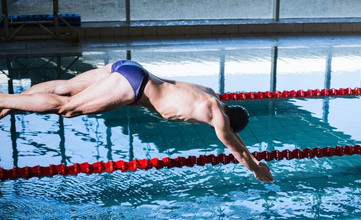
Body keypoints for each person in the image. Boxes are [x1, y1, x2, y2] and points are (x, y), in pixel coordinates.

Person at [0, 60, 273, 183]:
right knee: (68, 108)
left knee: (66, 88)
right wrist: (256, 169)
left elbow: (170, 82)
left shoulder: (210, 94)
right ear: (229, 120)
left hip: (130, 68)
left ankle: (7, 105)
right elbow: (236, 148)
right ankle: (3, 99)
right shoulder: (217, 115)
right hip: (134, 85)